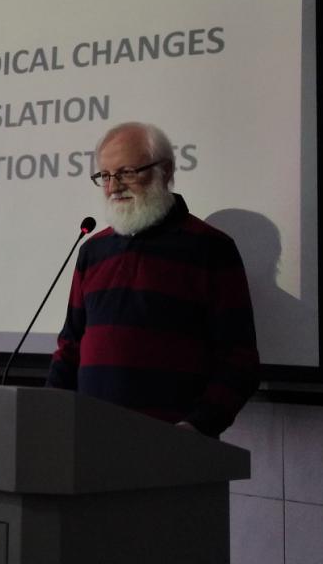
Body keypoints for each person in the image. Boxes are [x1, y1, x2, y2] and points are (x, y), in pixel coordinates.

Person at [47, 122, 260, 437]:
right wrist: (49, 413)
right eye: (105, 175)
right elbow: (70, 347)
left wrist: (197, 426)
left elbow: (239, 359)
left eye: (127, 172)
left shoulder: (211, 248)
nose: (114, 186)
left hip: (172, 448)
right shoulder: (93, 250)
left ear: (165, 170)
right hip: (87, 439)